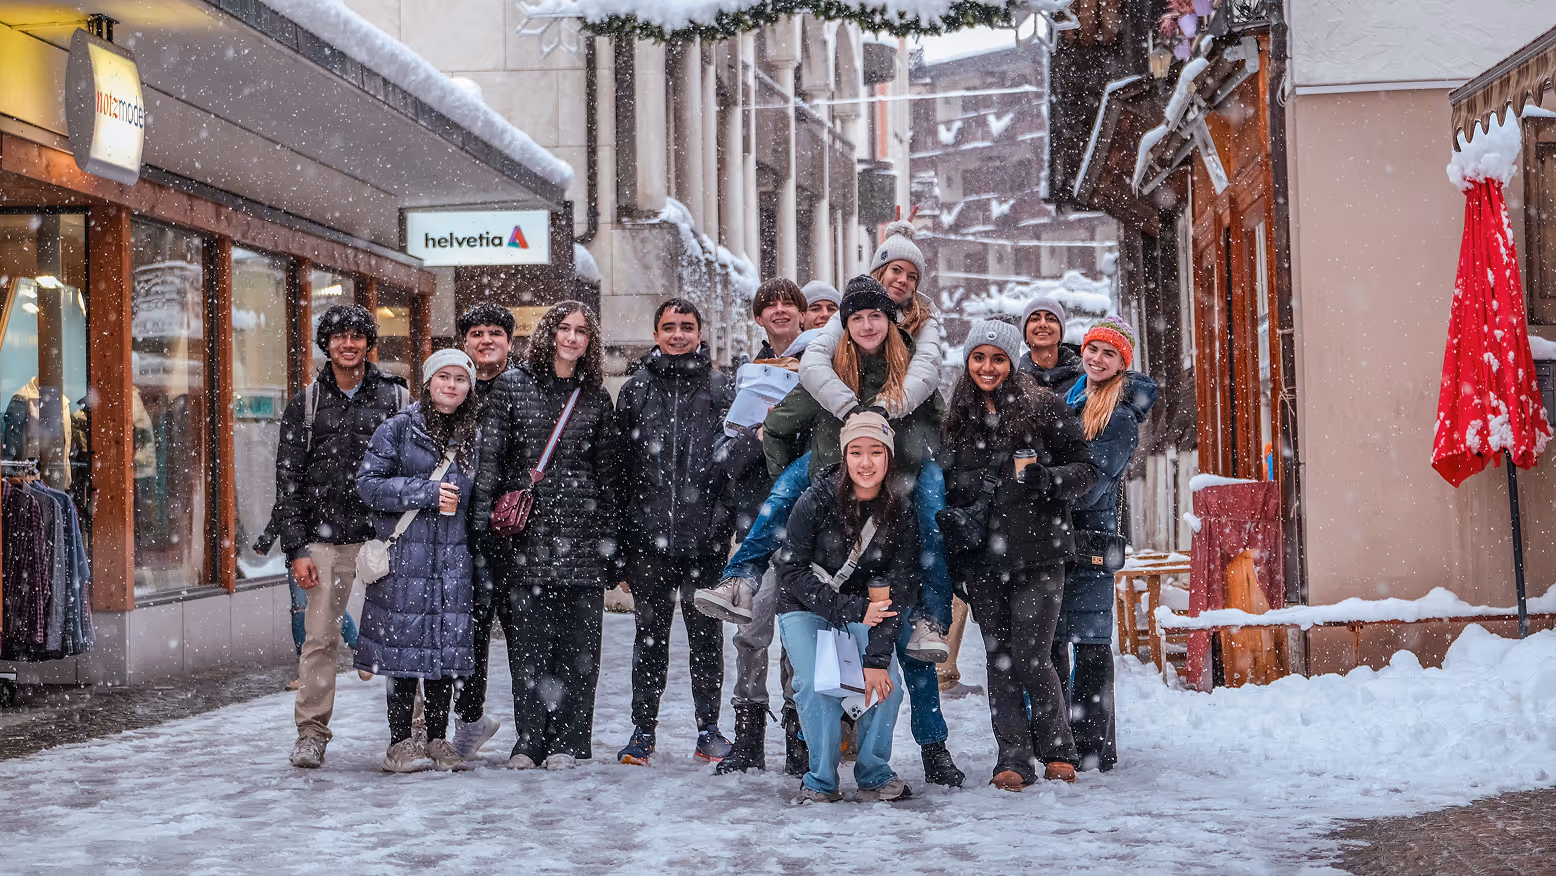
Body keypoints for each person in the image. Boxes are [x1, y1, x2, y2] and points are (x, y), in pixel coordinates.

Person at [754, 277, 965, 787]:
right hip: (829, 542)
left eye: (876, 315)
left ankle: (918, 751)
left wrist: (929, 475)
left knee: (899, 664)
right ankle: (817, 770)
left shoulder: (912, 367)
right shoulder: (829, 377)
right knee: (818, 678)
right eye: (857, 318)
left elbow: (945, 428)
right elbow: (779, 425)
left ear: (890, 320)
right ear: (843, 327)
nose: (868, 325)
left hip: (898, 513)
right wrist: (806, 473)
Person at [940, 318, 1100, 790]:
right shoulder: (956, 415)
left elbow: (1087, 469)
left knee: (1031, 654)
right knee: (999, 657)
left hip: (1040, 551)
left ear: (1012, 362)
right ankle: (1011, 757)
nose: (987, 367)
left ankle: (1057, 749)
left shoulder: (1044, 407)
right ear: (968, 361)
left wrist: (1049, 480)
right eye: (979, 357)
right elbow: (950, 484)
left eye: (997, 358)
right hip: (984, 557)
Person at [472, 301, 620, 771]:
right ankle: (529, 740)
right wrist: (481, 529)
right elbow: (491, 462)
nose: (572, 338)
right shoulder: (513, 386)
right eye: (564, 328)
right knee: (530, 647)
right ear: (548, 334)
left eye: (582, 331)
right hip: (527, 535)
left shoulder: (595, 396)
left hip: (583, 534)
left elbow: (610, 476)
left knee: (579, 650)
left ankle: (571, 742)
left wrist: (611, 544)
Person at [275, 304, 410, 769]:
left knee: (398, 638)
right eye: (339, 337)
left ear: (369, 343)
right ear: (326, 344)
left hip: (383, 538)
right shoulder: (307, 403)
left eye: (357, 337)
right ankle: (311, 734)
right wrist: (296, 548)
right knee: (319, 641)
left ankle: (406, 735)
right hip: (323, 542)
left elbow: (414, 467)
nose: (348, 344)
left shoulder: (396, 398)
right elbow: (287, 481)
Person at [615, 298, 737, 765]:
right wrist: (624, 541)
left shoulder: (720, 388)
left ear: (700, 333)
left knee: (707, 638)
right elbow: (621, 472)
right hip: (649, 542)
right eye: (670, 327)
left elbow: (731, 468)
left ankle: (709, 730)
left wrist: (721, 523)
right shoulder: (636, 390)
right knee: (649, 639)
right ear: (656, 334)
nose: (678, 334)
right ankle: (642, 733)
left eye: (687, 326)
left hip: (705, 541)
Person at [776, 411, 916, 803]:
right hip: (808, 603)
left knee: (885, 682)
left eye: (875, 452)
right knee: (817, 686)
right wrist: (848, 608)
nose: (865, 462)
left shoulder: (900, 509)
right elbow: (790, 568)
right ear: (844, 455)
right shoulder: (817, 497)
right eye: (856, 452)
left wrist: (875, 658)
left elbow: (901, 587)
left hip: (868, 609)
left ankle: (873, 772)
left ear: (889, 457)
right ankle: (820, 779)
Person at [355, 349, 483, 773]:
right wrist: (426, 493)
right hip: (406, 559)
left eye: (460, 379)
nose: (451, 385)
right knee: (403, 654)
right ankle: (399, 744)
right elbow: (368, 485)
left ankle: (438, 741)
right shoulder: (397, 428)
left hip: (452, 560)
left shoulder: (475, 435)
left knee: (443, 655)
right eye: (443, 377)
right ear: (427, 382)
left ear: (469, 387)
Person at [1055, 316, 1157, 773]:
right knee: (1057, 639)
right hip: (1060, 538)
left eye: (1109, 353)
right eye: (1093, 349)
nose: (1097, 359)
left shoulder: (1117, 416)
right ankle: (1060, 741)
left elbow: (1093, 482)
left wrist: (1045, 489)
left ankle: (1094, 746)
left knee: (1090, 643)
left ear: (1122, 363)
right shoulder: (1073, 397)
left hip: (1088, 540)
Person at [448, 302, 518, 759]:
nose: (486, 339)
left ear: (510, 342)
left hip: (517, 533)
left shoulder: (526, 389)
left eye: (495, 332)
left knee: (524, 637)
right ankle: (470, 722)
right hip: (460, 534)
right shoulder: (454, 391)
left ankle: (535, 730)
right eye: (477, 333)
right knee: (467, 637)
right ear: (465, 341)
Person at [1019, 297, 1084, 391]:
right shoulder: (1013, 379)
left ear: (1061, 334)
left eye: (1051, 319)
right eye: (1035, 319)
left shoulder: (1084, 377)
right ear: (1026, 335)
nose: (1043, 324)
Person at [752, 279, 807, 360]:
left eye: (788, 303)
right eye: (771, 305)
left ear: (802, 315)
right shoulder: (754, 369)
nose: (779, 310)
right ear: (759, 319)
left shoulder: (823, 358)